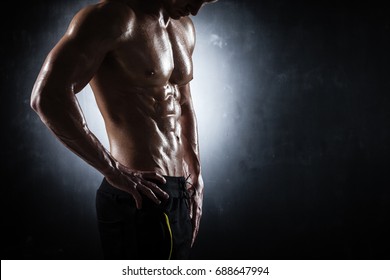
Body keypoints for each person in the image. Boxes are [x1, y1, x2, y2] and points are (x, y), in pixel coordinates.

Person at [30, 0, 217, 260]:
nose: (196, 9)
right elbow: (47, 96)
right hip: (136, 194)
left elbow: (183, 103)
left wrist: (196, 173)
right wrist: (112, 169)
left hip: (180, 191)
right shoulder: (112, 18)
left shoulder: (184, 27)